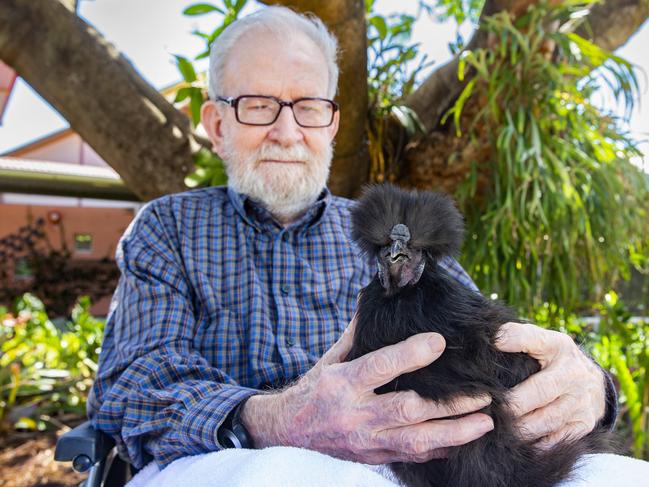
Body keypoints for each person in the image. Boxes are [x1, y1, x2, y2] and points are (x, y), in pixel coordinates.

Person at [88, 6, 646, 486]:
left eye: (309, 106)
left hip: (410, 465)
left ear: (332, 124)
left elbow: (488, 336)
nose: (287, 132)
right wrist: (273, 419)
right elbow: (130, 387)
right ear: (215, 123)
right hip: (229, 462)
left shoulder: (395, 234)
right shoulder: (168, 229)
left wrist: (590, 387)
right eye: (258, 105)